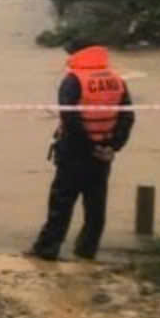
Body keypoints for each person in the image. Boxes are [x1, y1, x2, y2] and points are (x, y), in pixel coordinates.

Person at [26, 38, 135, 261]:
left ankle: (47, 249)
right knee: (96, 205)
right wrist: (112, 147)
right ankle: (86, 251)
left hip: (74, 153)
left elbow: (71, 120)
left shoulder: (73, 80)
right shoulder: (117, 80)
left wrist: (89, 147)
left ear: (77, 54)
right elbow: (128, 116)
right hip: (103, 154)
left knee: (61, 203)